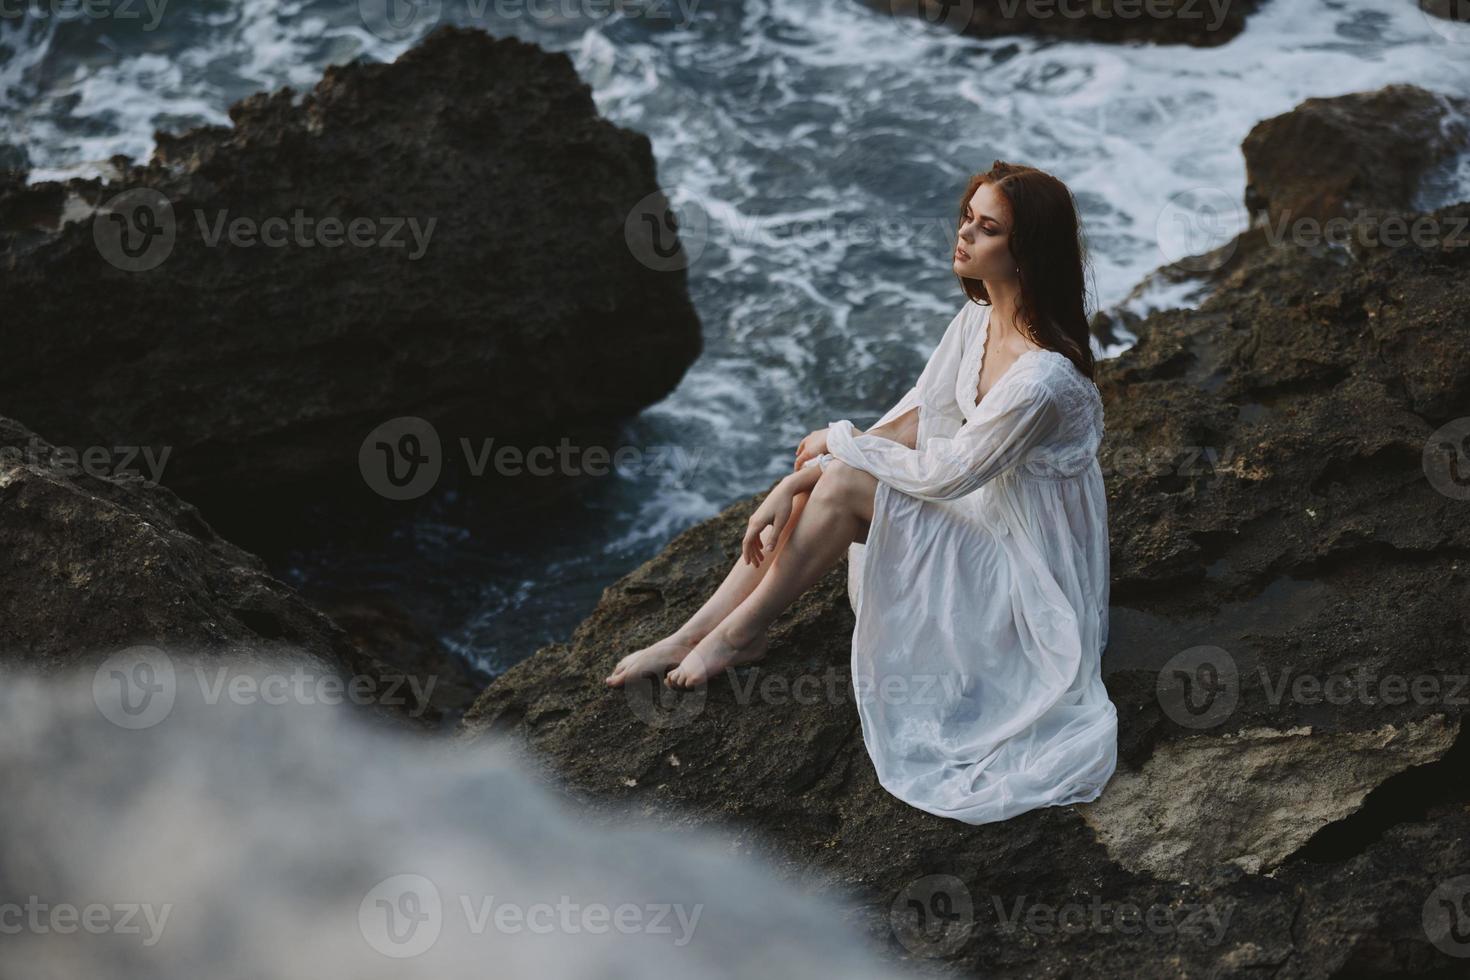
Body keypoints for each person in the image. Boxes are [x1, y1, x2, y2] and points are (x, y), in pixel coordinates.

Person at [606, 160, 1116, 824]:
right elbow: (915, 418)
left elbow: (947, 472)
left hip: (1029, 580)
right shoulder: (978, 318)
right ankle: (692, 633)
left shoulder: (1042, 378)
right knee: (829, 476)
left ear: (1026, 252)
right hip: (989, 524)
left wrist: (834, 449)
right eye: (968, 216)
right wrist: (798, 478)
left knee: (842, 476)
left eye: (987, 229)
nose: (964, 235)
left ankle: (741, 633)